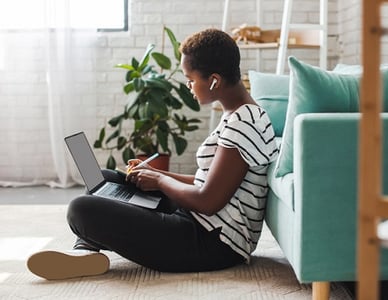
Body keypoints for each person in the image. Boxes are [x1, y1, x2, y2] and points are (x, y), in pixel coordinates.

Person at [27, 28, 279, 280]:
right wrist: (154, 172)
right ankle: (86, 253)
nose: (189, 86)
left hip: (213, 243)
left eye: (191, 79)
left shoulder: (244, 124)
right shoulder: (239, 115)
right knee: (103, 179)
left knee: (80, 208)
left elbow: (208, 201)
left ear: (214, 80)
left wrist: (159, 181)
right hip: (198, 221)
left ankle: (86, 249)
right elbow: (209, 183)